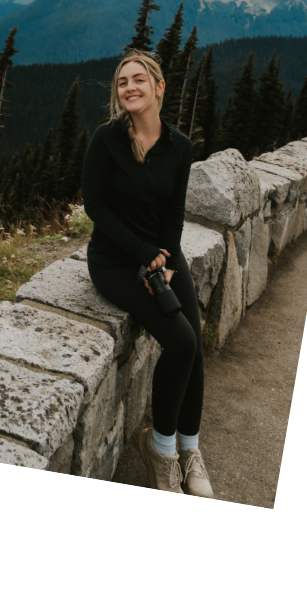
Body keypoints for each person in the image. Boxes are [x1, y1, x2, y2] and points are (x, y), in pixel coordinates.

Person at [81, 49, 214, 502]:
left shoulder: (180, 146)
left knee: (194, 346)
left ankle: (189, 448)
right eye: (122, 82)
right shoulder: (106, 140)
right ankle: (161, 451)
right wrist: (144, 254)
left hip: (162, 257)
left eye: (139, 79)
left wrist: (168, 258)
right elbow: (95, 206)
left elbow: (173, 211)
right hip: (115, 261)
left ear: (159, 87)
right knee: (180, 341)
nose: (129, 87)